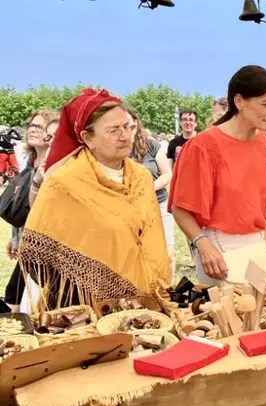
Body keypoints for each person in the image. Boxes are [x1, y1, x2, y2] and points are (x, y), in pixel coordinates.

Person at [19, 89, 169, 309]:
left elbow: (149, 236)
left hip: (142, 301)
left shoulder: (142, 178)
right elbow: (37, 253)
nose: (125, 136)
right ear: (87, 138)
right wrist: (89, 286)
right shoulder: (64, 183)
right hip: (84, 309)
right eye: (113, 130)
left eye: (127, 127)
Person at [169, 66, 266, 285]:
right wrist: (203, 245)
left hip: (264, 249)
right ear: (239, 101)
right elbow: (181, 208)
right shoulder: (202, 147)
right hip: (219, 255)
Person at [4, 110, 58, 312]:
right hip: (27, 239)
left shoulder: (55, 166)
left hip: (44, 244)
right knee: (14, 293)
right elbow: (20, 205)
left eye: (39, 127)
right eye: (31, 126)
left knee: (31, 297)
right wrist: (15, 237)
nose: (32, 130)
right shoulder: (30, 163)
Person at [126, 107, 175, 281]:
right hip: (131, 207)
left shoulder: (150, 144)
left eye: (132, 126)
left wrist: (146, 188)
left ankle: (170, 290)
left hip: (159, 203)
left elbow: (167, 174)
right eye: (124, 127)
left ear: (137, 125)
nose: (128, 131)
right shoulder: (117, 149)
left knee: (168, 252)